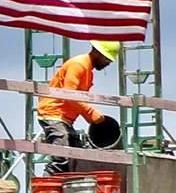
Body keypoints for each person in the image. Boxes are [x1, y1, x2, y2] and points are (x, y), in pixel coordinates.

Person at [36, 40, 120, 175]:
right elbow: (69, 94)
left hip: (64, 118)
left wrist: (90, 115)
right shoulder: (79, 65)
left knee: (77, 159)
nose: (108, 63)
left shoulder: (87, 70)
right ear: (98, 53)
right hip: (53, 113)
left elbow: (75, 99)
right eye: (107, 59)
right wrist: (90, 113)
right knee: (61, 158)